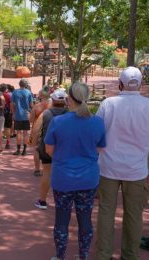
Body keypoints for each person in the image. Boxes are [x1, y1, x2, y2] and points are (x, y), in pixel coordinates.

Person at [45, 82, 106, 260]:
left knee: (61, 220)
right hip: (88, 179)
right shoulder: (97, 122)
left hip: (63, 178)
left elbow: (49, 150)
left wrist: (64, 155)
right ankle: (83, 255)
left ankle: (60, 256)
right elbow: (100, 149)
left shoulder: (58, 121)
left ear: (69, 98)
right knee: (85, 219)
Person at [95, 67, 149, 260]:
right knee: (134, 215)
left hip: (108, 167)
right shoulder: (148, 106)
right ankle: (130, 256)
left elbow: (97, 135)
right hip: (137, 170)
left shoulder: (108, 104)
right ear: (140, 84)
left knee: (106, 211)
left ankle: (103, 255)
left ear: (120, 83)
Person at [33, 89, 68, 210]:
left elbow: (36, 129)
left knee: (47, 172)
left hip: (47, 145)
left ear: (53, 100)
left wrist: (35, 143)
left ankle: (42, 200)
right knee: (64, 172)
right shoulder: (69, 113)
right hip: (65, 147)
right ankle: (64, 200)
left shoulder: (46, 113)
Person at [29, 90, 51, 177]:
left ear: (40, 96)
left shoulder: (37, 106)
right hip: (49, 128)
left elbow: (31, 120)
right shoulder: (51, 106)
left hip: (38, 129)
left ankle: (37, 169)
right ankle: (49, 169)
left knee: (36, 149)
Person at [11, 79, 34, 156]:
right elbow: (31, 105)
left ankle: (18, 150)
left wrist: (13, 113)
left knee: (18, 133)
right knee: (26, 133)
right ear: (25, 85)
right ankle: (24, 150)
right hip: (26, 115)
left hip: (18, 115)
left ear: (19, 84)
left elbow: (12, 104)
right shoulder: (28, 92)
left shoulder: (15, 92)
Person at [0, 84, 13, 149]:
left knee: (0, 129)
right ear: (6, 89)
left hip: (0, 113)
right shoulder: (7, 95)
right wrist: (11, 112)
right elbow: (11, 104)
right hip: (7, 113)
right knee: (7, 128)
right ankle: (8, 142)